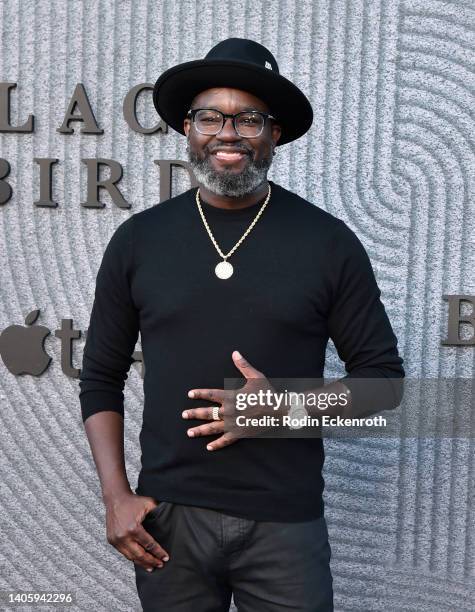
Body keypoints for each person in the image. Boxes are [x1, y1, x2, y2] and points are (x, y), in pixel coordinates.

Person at [79, 38, 404, 611]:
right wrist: (115, 497)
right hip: (169, 521)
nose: (227, 132)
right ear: (188, 129)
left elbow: (385, 386)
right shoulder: (139, 241)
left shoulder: (328, 244)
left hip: (285, 525)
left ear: (273, 134)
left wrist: (279, 408)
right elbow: (100, 377)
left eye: (249, 118)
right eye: (210, 116)